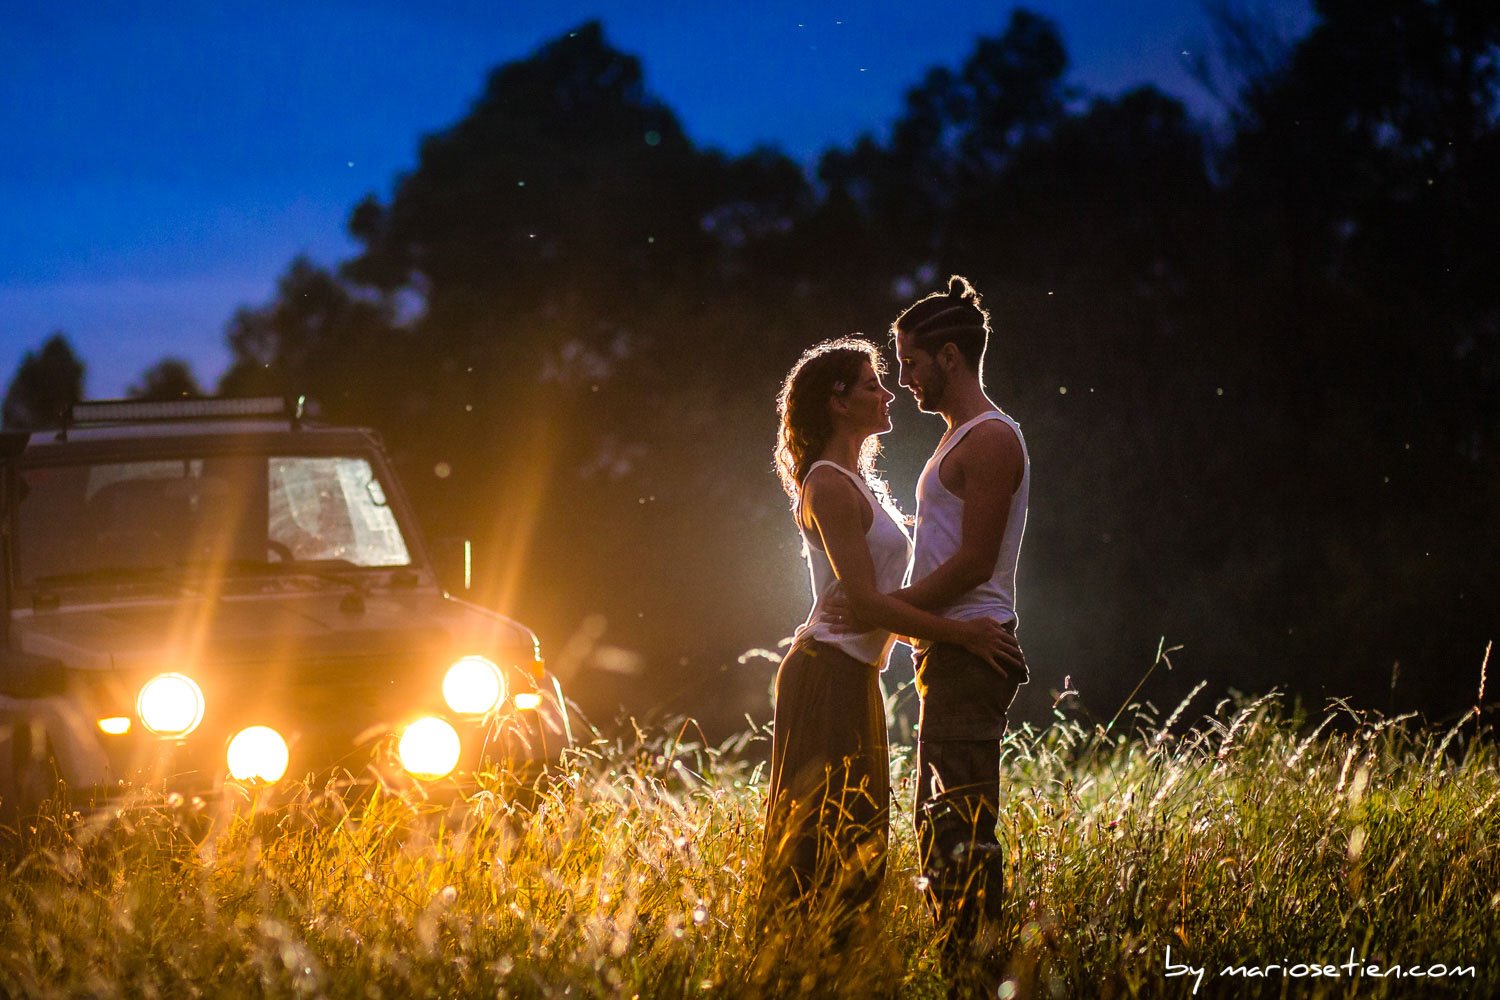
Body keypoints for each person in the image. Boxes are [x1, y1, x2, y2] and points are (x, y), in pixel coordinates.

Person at [760, 336, 1025, 937]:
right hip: (824, 671)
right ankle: (799, 964)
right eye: (873, 383)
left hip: (855, 674)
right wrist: (959, 635)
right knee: (821, 835)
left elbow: (876, 608)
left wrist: (934, 636)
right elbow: (864, 604)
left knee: (857, 831)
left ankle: (838, 963)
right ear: (838, 402)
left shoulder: (859, 483)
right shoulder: (826, 484)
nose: (889, 393)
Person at [831, 275, 1031, 985]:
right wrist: (914, 625)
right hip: (949, 649)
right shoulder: (958, 440)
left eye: (911, 363)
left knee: (961, 828)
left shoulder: (991, 439)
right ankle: (966, 968)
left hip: (973, 648)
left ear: (950, 356)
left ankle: (982, 975)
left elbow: (975, 560)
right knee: (940, 819)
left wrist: (895, 608)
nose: (905, 380)